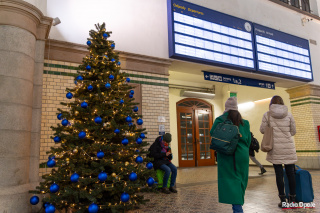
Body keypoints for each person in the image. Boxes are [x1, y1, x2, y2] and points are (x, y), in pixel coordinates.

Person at [210, 97, 251, 213]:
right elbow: (247, 140)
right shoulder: (245, 122)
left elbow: (212, 134)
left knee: (231, 182)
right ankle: (238, 206)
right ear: (237, 108)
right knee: (241, 180)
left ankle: (237, 209)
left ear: (226, 107)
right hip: (242, 154)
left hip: (227, 155)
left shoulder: (219, 120)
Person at [260, 95, 297, 208]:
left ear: (271, 103)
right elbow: (293, 131)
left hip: (275, 148)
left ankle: (283, 200)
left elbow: (262, 130)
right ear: (282, 102)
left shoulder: (267, 115)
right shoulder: (289, 114)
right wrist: (285, 136)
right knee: (291, 174)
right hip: (288, 147)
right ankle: (293, 199)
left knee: (279, 174)